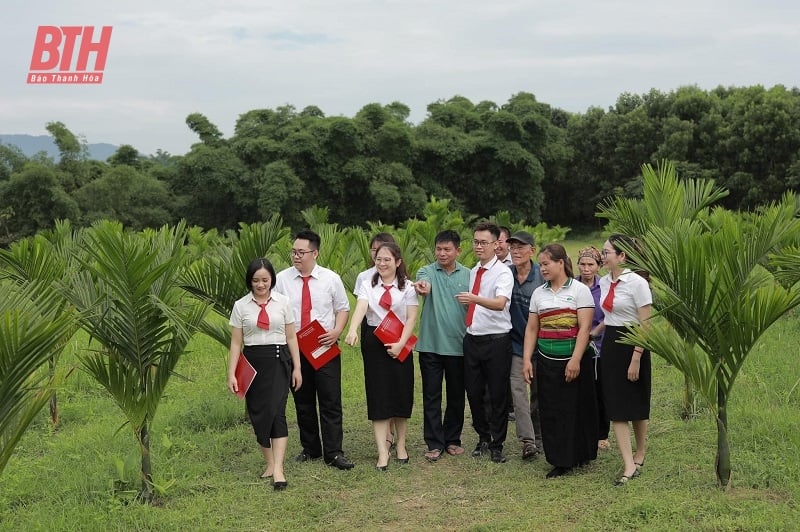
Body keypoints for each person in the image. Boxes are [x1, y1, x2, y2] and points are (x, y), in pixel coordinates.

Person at [274, 230, 354, 470]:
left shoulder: (331, 279)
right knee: (303, 399)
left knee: (330, 400)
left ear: (315, 253)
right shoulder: (282, 279)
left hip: (324, 346)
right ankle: (311, 448)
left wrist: (338, 331)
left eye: (302, 252)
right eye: (294, 252)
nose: (296, 256)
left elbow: (343, 308)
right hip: (295, 348)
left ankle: (334, 452)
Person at [522, 244, 597, 478]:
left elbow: (584, 328)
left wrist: (575, 360)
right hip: (546, 361)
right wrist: (527, 360)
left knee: (575, 408)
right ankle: (560, 459)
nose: (542, 268)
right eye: (541, 264)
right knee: (551, 410)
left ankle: (581, 453)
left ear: (560, 263)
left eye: (546, 264)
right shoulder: (539, 293)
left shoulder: (579, 291)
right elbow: (532, 329)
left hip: (574, 361)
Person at [227, 258, 302, 491]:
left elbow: (291, 337)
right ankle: (269, 463)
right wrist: (231, 373)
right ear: (250, 281)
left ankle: (279, 469)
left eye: (265, 280)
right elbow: (236, 343)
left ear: (272, 280)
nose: (261, 285)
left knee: (277, 412)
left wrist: (297, 367)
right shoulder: (241, 306)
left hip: (279, 361)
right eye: (256, 280)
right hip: (252, 364)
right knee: (259, 414)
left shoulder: (283, 302)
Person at [345, 242, 418, 470]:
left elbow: (411, 318)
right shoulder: (368, 284)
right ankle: (382, 452)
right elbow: (361, 307)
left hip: (399, 341)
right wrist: (352, 329)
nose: (382, 263)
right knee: (378, 395)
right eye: (378, 259)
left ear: (397, 262)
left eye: (387, 260)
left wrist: (400, 344)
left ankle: (401, 445)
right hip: (375, 343)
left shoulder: (408, 287)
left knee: (401, 393)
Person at [457, 221, 514, 464]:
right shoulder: (473, 271)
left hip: (497, 341)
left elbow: (501, 303)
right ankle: (483, 436)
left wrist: (474, 299)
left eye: (484, 242)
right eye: (475, 242)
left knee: (498, 393)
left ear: (495, 244)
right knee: (474, 391)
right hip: (473, 339)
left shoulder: (503, 272)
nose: (478, 247)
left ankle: (497, 443)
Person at [599, 234, 652, 486]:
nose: (603, 255)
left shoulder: (637, 283)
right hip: (611, 343)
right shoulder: (602, 281)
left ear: (621, 256)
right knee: (616, 406)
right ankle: (629, 463)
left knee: (637, 401)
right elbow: (610, 316)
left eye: (607, 251)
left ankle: (641, 451)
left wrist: (636, 357)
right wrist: (595, 331)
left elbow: (646, 324)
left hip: (634, 342)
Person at [414, 230, 470, 462]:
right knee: (431, 395)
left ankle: (453, 439)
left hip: (459, 346)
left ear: (458, 250)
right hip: (430, 345)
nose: (442, 253)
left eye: (447, 249)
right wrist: (423, 288)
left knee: (456, 396)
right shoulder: (426, 270)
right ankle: (434, 442)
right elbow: (422, 284)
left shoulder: (469, 275)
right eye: (439, 249)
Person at [353, 232, 397, 449]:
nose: (378, 256)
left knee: (395, 382)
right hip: (372, 330)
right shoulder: (364, 278)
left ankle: (394, 428)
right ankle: (385, 432)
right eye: (374, 251)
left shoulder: (402, 280)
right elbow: (361, 305)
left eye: (383, 251)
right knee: (377, 382)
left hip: (396, 334)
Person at [506, 231, 544, 460]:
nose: (516, 251)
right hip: (515, 345)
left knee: (539, 393)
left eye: (521, 247)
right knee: (518, 391)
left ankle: (540, 435)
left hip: (543, 345)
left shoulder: (542, 276)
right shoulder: (505, 274)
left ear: (533, 250)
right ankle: (528, 441)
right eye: (513, 247)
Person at [576, 245, 611, 451]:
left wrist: (594, 333)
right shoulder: (572, 286)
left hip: (600, 346)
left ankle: (602, 434)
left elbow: (609, 314)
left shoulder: (604, 287)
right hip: (577, 346)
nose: (586, 268)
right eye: (582, 264)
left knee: (600, 391)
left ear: (598, 266)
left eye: (590, 264)